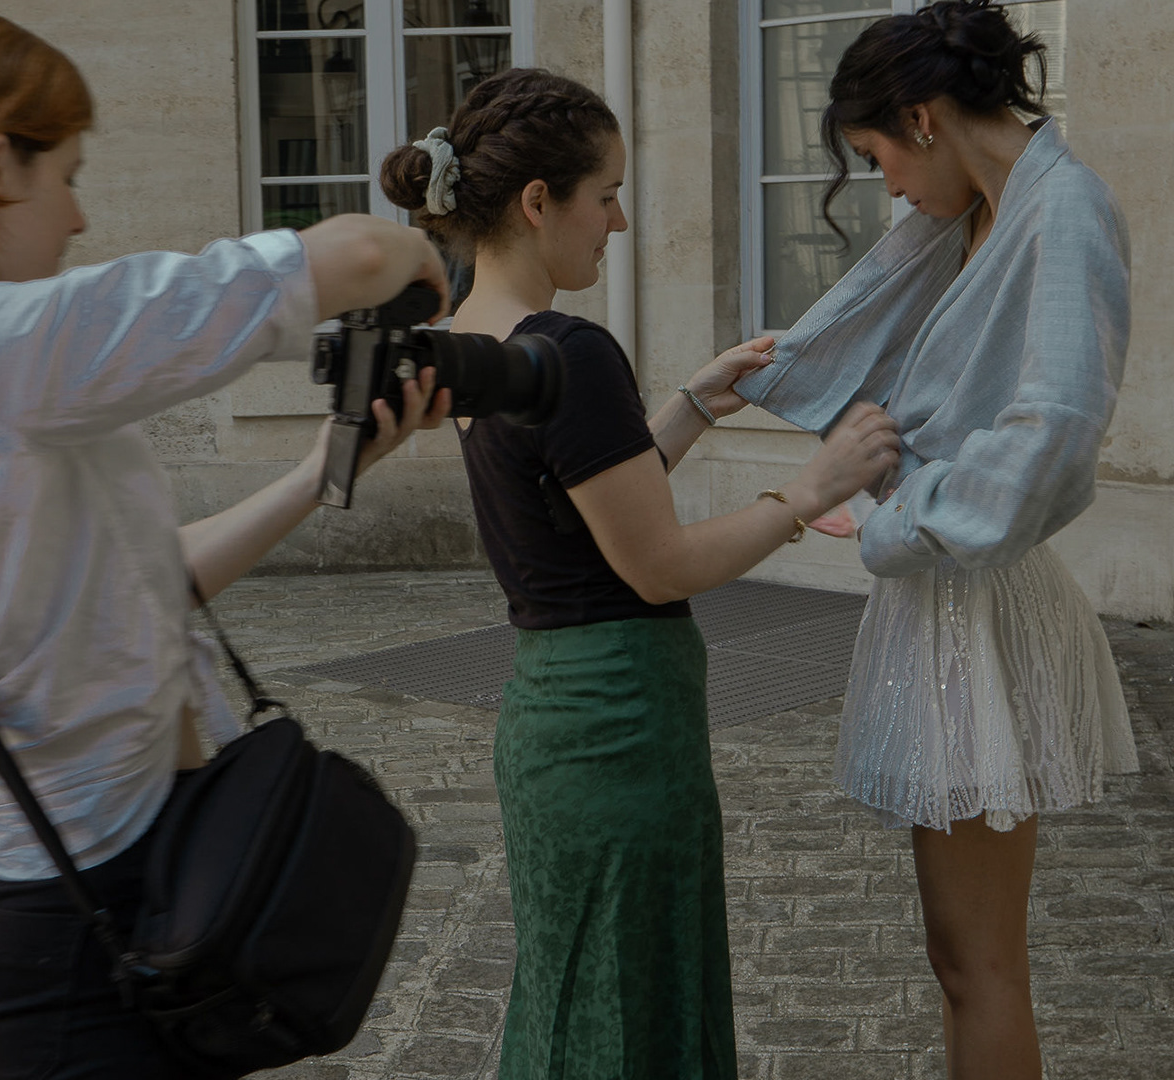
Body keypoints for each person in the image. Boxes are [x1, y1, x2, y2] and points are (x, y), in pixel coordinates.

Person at [0, 10, 451, 1078]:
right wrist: (417, 252)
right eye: (68, 176)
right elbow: (347, 256)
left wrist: (319, 474)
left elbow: (150, 583)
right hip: (66, 931)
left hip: (122, 875)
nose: (79, 215)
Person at [379, 69, 901, 1080]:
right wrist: (810, 490)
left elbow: (578, 508)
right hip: (618, 726)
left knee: (574, 1005)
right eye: (607, 195)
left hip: (553, 721)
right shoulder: (568, 350)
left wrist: (690, 407)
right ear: (540, 202)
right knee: (635, 1016)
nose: (618, 223)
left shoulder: (476, 340)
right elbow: (657, 566)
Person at [734, 3, 1140, 1077]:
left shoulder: (1063, 209)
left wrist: (894, 518)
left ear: (922, 118)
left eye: (879, 158)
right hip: (951, 589)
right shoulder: (983, 210)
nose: (889, 189)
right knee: (961, 958)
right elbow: (884, 345)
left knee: (979, 962)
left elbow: (1055, 437)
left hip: (977, 595)